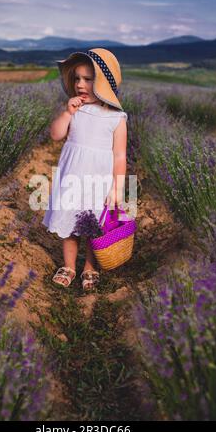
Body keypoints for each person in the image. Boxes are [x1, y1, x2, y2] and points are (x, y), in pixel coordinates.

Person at [42, 48, 128, 292]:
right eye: (77, 78)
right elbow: (55, 134)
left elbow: (120, 155)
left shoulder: (116, 118)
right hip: (72, 178)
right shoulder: (75, 110)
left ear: (103, 83)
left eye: (88, 79)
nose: (80, 84)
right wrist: (67, 113)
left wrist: (117, 188)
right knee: (70, 224)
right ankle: (69, 266)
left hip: (97, 182)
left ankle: (90, 266)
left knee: (92, 226)